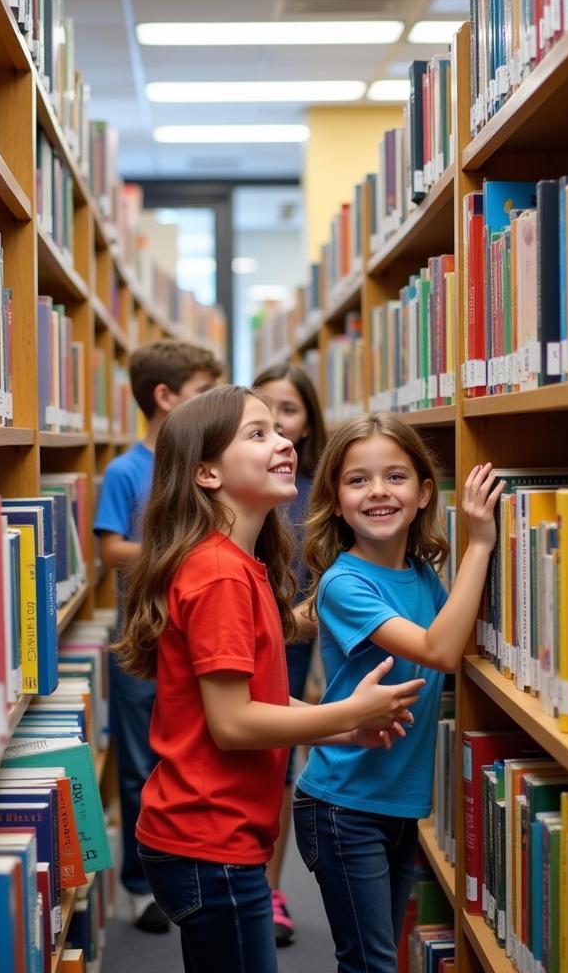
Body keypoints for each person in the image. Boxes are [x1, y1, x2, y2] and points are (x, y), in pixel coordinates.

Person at [112, 385, 426, 973]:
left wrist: (337, 734)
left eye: (279, 431)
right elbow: (232, 724)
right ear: (207, 472)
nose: (282, 441)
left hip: (207, 838)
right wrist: (347, 714)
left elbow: (253, 700)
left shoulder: (238, 564)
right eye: (257, 434)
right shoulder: (220, 576)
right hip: (209, 841)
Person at [293, 413, 503, 973]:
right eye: (357, 480)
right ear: (335, 501)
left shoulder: (421, 573)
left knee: (374, 960)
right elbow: (439, 650)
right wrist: (480, 545)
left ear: (424, 492)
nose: (378, 491)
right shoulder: (344, 583)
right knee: (371, 963)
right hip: (343, 804)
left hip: (397, 805)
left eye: (396, 476)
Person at [92, 339, 222, 933]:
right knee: (141, 759)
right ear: (165, 397)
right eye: (200, 393)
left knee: (201, 748)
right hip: (146, 639)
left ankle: (195, 864)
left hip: (205, 634)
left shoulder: (203, 465)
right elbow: (112, 547)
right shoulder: (125, 470)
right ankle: (142, 886)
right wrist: (181, 554)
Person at [251, 363, 327, 946]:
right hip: (251, 634)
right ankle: (243, 882)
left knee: (279, 764)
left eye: (290, 410)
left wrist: (295, 623)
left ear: (307, 425)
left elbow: (326, 580)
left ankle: (270, 890)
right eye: (266, 410)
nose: (279, 422)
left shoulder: (317, 495)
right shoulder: (251, 489)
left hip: (294, 644)